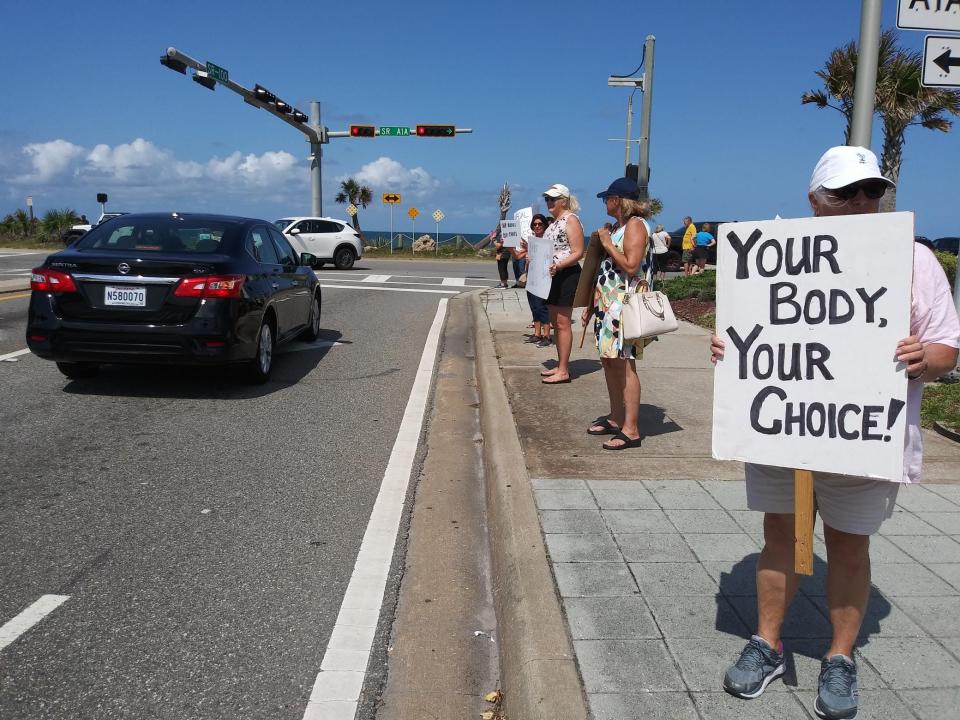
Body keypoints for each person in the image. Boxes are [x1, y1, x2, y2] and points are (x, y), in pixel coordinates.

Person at [711, 146, 960, 720]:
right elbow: (748, 330)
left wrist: (927, 357)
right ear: (815, 201)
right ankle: (766, 642)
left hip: (862, 436)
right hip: (782, 429)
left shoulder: (916, 260)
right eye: (847, 192)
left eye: (872, 191)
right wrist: (729, 349)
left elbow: (947, 348)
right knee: (779, 536)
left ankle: (840, 656)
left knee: (849, 547)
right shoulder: (775, 255)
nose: (862, 203)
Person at [581, 177, 651, 449]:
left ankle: (631, 429)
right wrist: (591, 305)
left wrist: (608, 243)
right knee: (610, 362)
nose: (604, 203)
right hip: (608, 306)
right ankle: (616, 416)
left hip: (624, 307)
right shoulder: (621, 227)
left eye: (607, 198)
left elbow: (632, 266)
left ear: (619, 200)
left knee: (625, 363)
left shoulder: (635, 225)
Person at [540, 183, 584, 384]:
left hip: (566, 274)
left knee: (563, 323)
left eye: (553, 199)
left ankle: (564, 369)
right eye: (547, 199)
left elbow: (577, 252)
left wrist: (558, 265)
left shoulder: (571, 219)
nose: (549, 202)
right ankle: (561, 364)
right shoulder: (555, 222)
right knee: (556, 322)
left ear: (564, 201)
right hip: (553, 274)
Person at [524, 214, 552, 346]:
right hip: (532, 278)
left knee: (542, 307)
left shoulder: (548, 240)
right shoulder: (532, 242)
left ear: (545, 225)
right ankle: (537, 333)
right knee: (534, 306)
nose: (537, 226)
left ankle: (547, 335)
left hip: (544, 278)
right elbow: (528, 265)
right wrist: (528, 261)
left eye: (540, 224)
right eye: (534, 224)